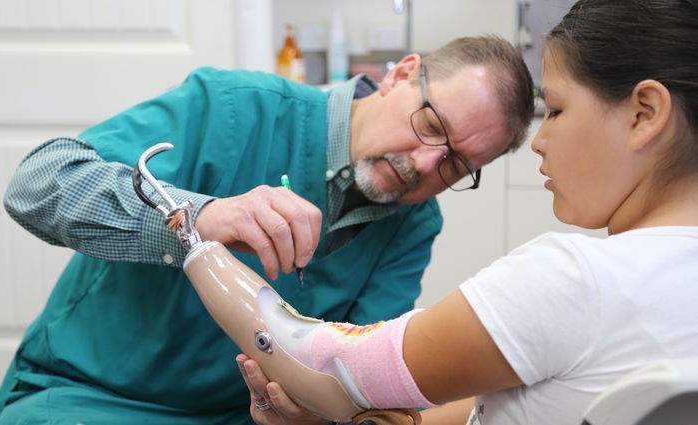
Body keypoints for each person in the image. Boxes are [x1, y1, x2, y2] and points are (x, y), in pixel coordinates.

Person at [0, 35, 535, 425]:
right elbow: (37, 184)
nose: (423, 162)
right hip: (88, 396)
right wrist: (197, 217)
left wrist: (312, 411)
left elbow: (360, 380)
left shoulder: (414, 224)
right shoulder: (231, 107)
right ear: (401, 74)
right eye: (431, 125)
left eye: (455, 165)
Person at [238, 1, 698, 424]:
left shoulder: (574, 281)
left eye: (555, 110)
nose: (539, 142)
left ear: (645, 113)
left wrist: (202, 237)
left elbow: (315, 360)